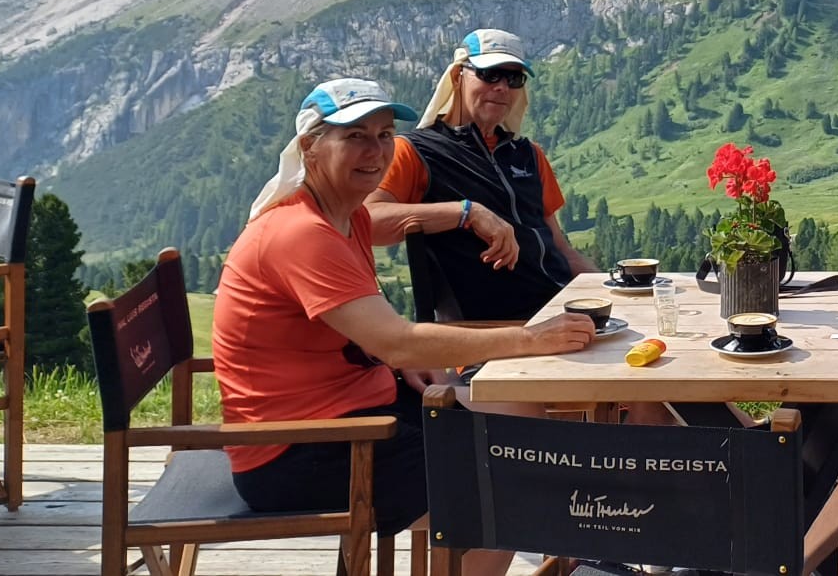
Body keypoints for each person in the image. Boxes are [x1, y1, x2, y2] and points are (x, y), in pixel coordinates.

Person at [214, 78, 597, 576]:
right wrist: (530, 339)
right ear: (310, 147)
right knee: (511, 482)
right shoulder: (302, 233)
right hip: (302, 451)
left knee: (517, 411)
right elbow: (394, 340)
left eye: (384, 134)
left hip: (355, 414)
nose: (375, 151)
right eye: (354, 136)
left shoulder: (342, 217)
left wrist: (468, 212)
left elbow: (366, 337)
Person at [365, 29, 596, 322]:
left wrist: (614, 291)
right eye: (490, 74)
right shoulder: (413, 151)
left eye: (514, 79)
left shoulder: (529, 154)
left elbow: (561, 250)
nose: (502, 87)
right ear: (457, 77)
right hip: (488, 331)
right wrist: (466, 213)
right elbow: (366, 222)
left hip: (561, 313)